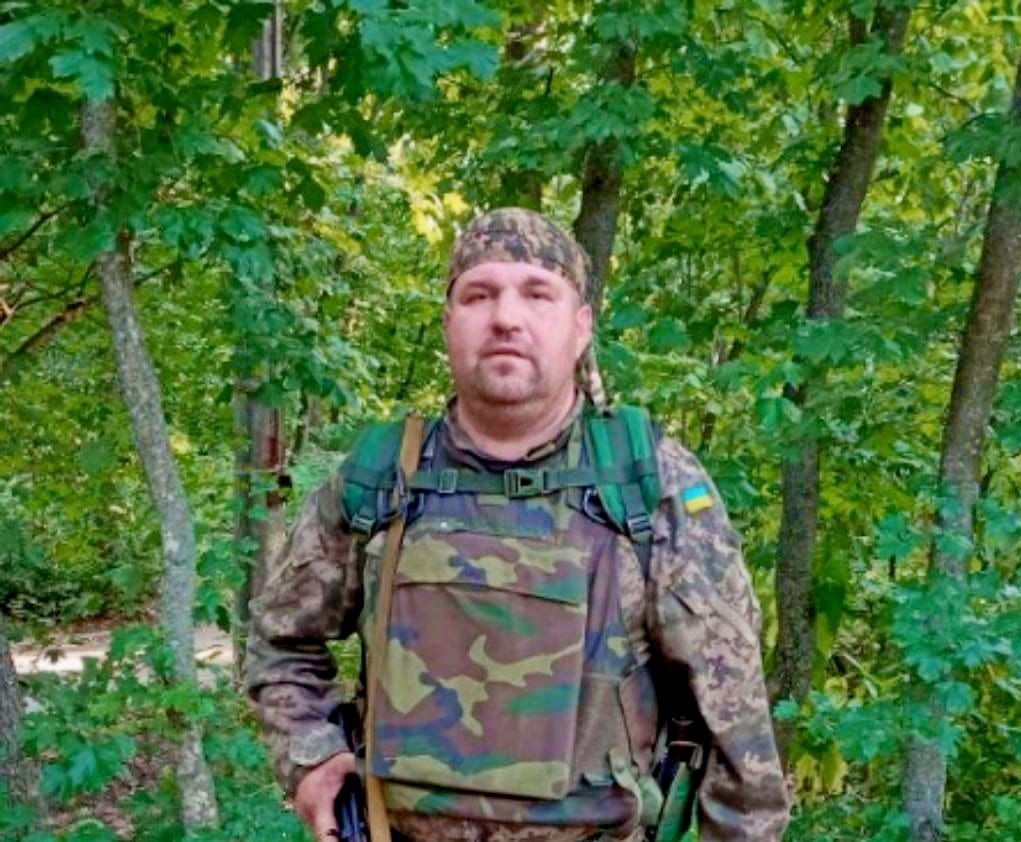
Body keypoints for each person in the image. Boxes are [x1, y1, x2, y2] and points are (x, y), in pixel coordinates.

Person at [246, 208, 790, 842]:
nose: (506, 317)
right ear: (448, 322)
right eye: (479, 295)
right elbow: (281, 640)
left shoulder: (648, 483)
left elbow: (734, 715)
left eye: (537, 294)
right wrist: (311, 754)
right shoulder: (382, 476)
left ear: (581, 327)